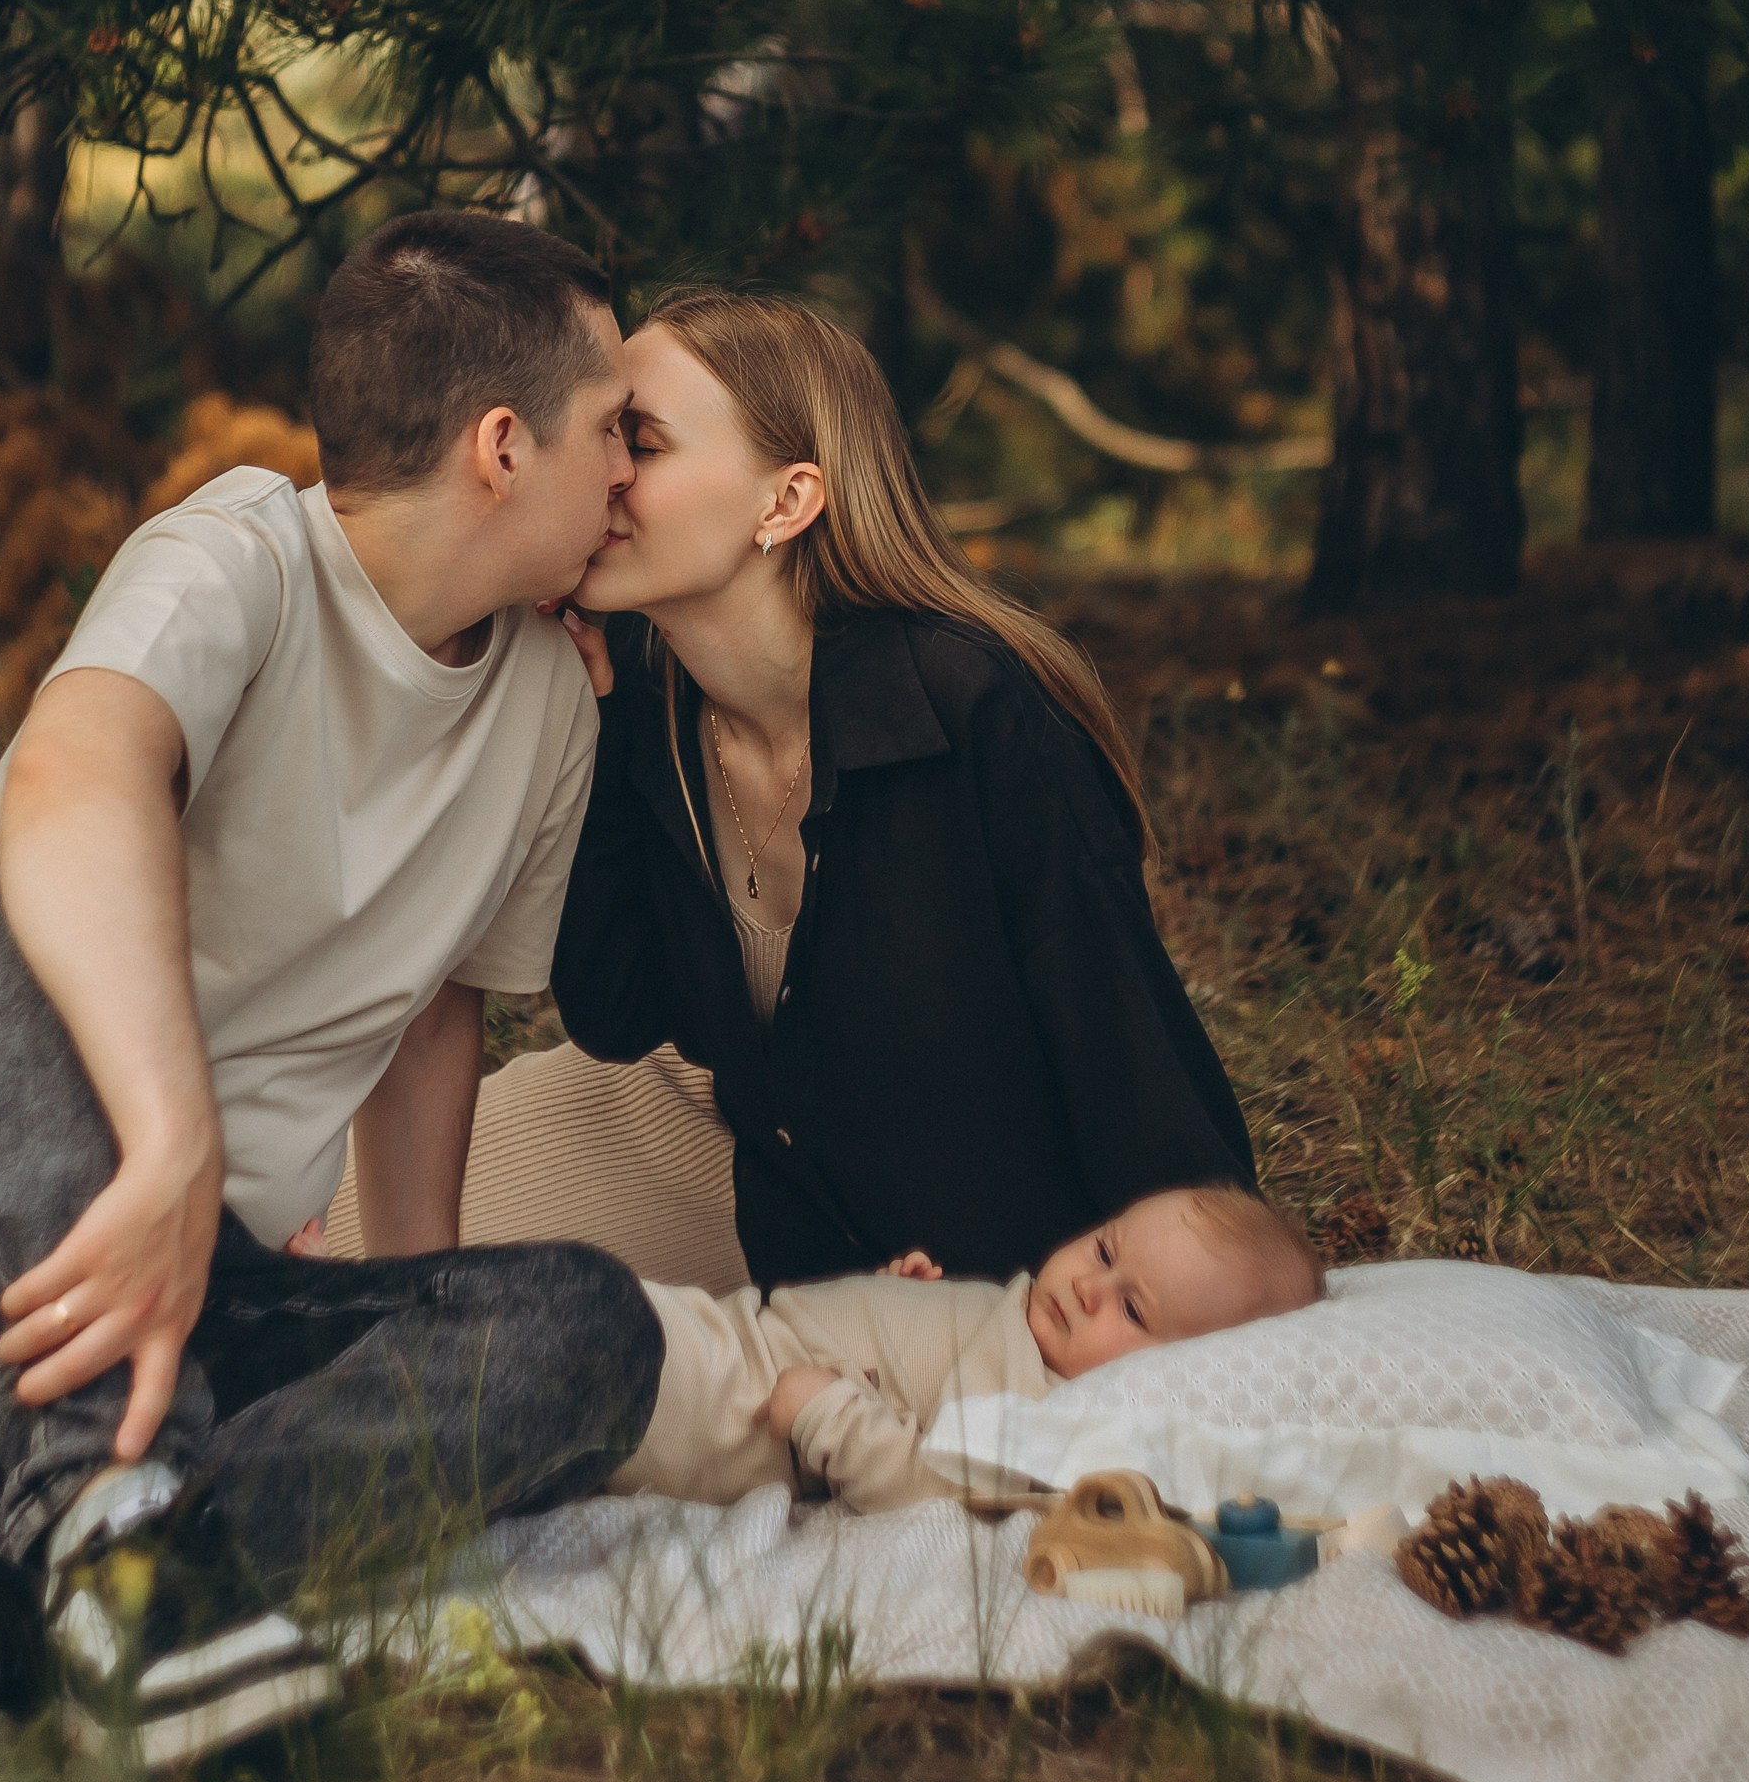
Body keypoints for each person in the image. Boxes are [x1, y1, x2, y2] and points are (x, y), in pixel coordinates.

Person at [0, 208, 667, 1764]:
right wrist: (170, 1144)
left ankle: (26, 1581)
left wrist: (406, 1316)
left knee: (593, 1327)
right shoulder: (236, 556)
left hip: (182, 1307)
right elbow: (81, 778)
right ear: (504, 444)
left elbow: (433, 1014)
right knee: (47, 883)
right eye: (616, 428)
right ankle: (99, 1504)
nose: (632, 468)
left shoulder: (553, 701)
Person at [453, 288, 1258, 1298]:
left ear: (785, 502)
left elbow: (1135, 1071)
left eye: (643, 443)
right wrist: (592, 730)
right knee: (320, 1230)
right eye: (604, 436)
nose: (603, 472)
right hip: (751, 1168)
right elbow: (616, 1012)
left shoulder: (976, 715)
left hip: (980, 1270)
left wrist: (1156, 1336)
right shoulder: (644, 699)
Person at [618, 1181, 1324, 1515]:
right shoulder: (1021, 1319)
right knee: (586, 1306)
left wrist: (826, 1414)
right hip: (732, 1329)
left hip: (738, 1406)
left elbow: (932, 1489)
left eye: (1132, 1308)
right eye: (1104, 1249)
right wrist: (901, 1300)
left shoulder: (1043, 1414)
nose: (1089, 1287)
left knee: (585, 1345)